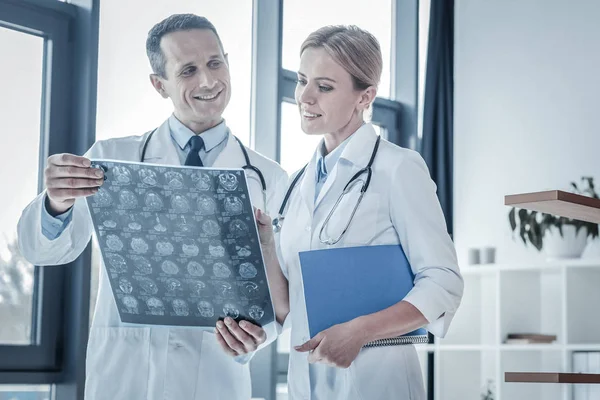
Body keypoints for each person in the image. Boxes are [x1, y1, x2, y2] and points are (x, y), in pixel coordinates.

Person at [17, 14, 288, 400]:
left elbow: (283, 297)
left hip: (215, 379)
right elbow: (44, 251)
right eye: (188, 70)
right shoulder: (112, 157)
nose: (208, 81)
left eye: (215, 63)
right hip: (125, 377)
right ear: (160, 84)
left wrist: (259, 337)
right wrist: (57, 201)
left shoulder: (268, 178)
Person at [219, 25, 464, 399]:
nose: (305, 96)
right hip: (306, 384)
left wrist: (359, 331)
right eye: (302, 81)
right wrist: (267, 244)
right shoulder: (295, 184)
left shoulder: (398, 168)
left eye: (325, 86)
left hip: (379, 383)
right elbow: (288, 307)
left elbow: (443, 283)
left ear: (365, 97)